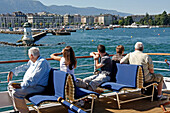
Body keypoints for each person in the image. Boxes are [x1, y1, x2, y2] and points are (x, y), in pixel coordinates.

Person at [7, 47, 51, 113]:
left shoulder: (42, 63)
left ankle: (25, 112)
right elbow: (25, 66)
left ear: (31, 55)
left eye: (28, 55)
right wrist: (13, 71)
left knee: (16, 92)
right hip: (31, 85)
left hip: (39, 87)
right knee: (10, 86)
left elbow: (33, 80)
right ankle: (18, 110)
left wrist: (21, 85)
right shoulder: (33, 61)